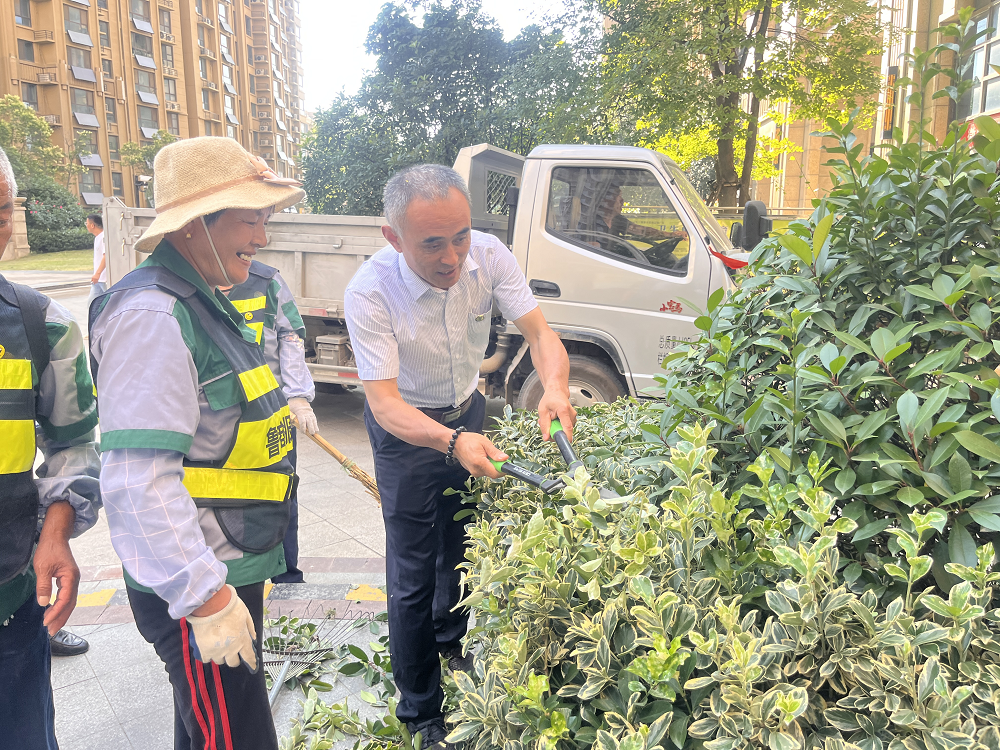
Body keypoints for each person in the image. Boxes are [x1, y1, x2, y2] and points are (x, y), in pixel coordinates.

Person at [344, 164, 576, 749]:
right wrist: (449, 442)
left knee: (461, 542)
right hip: (406, 431)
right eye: (432, 244)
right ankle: (421, 709)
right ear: (393, 237)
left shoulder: (490, 256)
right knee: (412, 572)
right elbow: (384, 403)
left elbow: (541, 335)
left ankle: (450, 641)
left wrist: (554, 388)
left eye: (461, 236)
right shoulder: (370, 291)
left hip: (467, 411)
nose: (452, 257)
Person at [89, 137, 304, 750]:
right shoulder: (153, 317)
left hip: (224, 565)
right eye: (250, 218)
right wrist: (204, 597)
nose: (262, 237)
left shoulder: (203, 301)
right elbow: (138, 482)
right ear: (195, 224)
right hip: (201, 580)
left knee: (207, 733)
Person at [0, 146, 101, 747]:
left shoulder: (44, 326)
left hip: (10, 597)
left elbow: (75, 446)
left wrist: (57, 532)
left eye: (1, 210)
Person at [221, 260, 317, 584]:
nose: (258, 239)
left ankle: (286, 575)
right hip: (218, 419)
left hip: (271, 415)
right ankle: (234, 576)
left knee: (281, 492)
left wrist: (297, 395)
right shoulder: (184, 282)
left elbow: (291, 334)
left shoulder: (266, 281)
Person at [87, 213, 106, 303]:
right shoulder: (97, 238)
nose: (86, 225)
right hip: (98, 280)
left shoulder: (104, 237)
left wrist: (98, 273)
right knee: (92, 304)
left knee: (111, 302)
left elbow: (106, 256)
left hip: (104, 278)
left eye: (86, 223)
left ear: (92, 225)